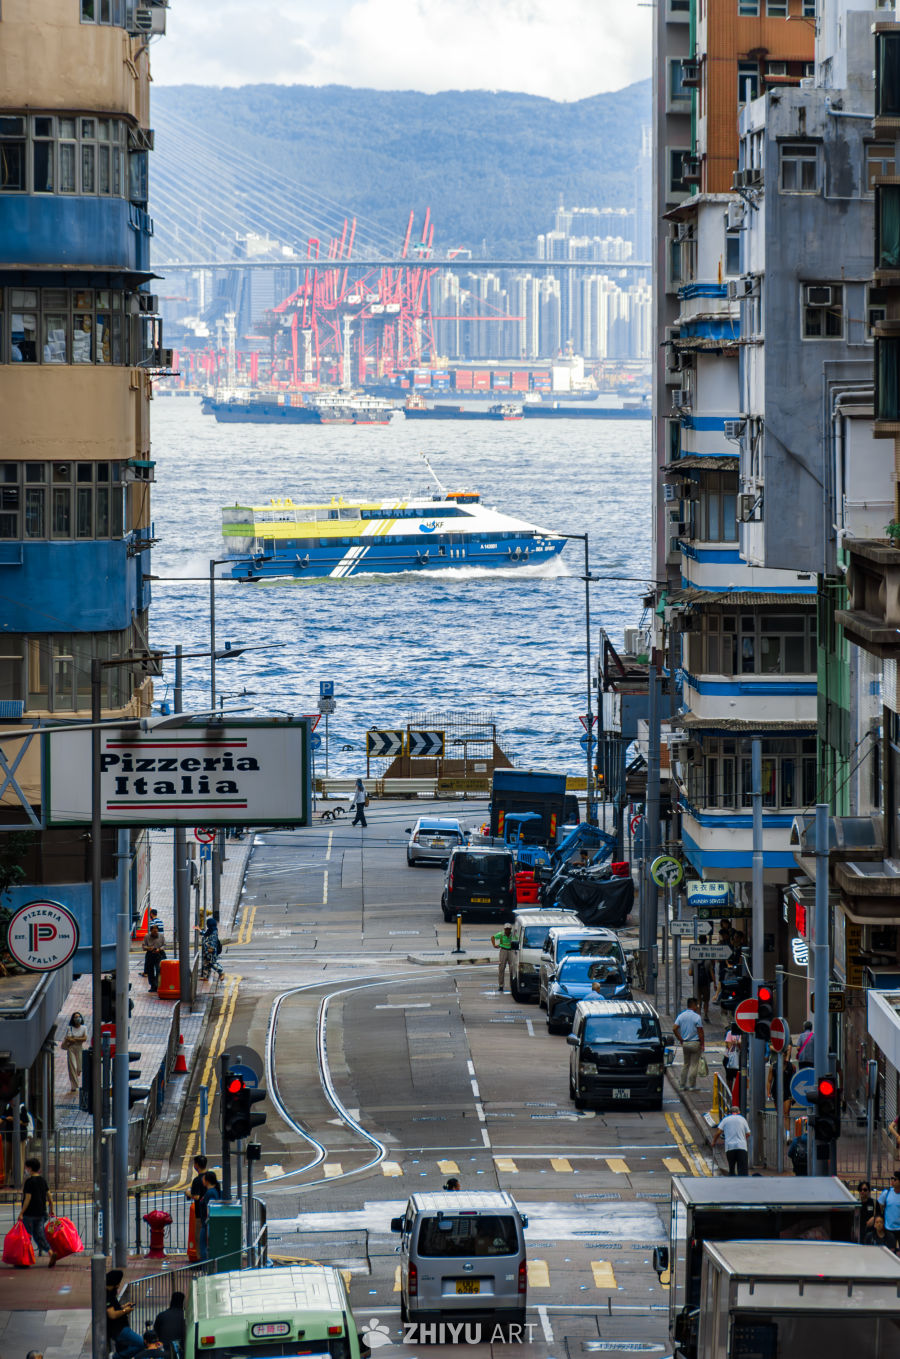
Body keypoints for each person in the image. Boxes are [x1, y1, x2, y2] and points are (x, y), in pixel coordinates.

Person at [19, 1156, 55, 1265]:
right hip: (41, 1213)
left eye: (26, 1167)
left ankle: (25, 1259)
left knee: (26, 1237)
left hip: (29, 1214)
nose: (25, 1170)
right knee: (39, 1235)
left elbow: (27, 1199)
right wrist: (51, 1209)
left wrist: (21, 1213)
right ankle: (50, 1252)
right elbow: (49, 1196)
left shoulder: (29, 1182)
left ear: (30, 1168)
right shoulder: (42, 1180)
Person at [106, 1269, 144, 1358]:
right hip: (119, 1329)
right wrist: (125, 1311)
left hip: (120, 1328)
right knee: (142, 1344)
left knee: (124, 1348)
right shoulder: (107, 1295)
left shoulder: (110, 1294)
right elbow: (112, 1314)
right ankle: (118, 1357)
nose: (119, 1285)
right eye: (118, 1283)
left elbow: (113, 1308)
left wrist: (123, 1307)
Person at [673, 997, 705, 1091]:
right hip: (695, 1043)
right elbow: (700, 1032)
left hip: (685, 1043)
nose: (698, 1007)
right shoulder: (697, 1017)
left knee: (686, 1064)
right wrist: (702, 1044)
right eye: (697, 1005)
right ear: (693, 1005)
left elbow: (674, 1028)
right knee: (694, 1065)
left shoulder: (681, 1016)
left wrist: (680, 1038)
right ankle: (692, 1085)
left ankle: (682, 1084)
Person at [712, 1104, 751, 1176]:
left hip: (730, 1147)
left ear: (729, 1113)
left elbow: (718, 1132)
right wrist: (743, 1138)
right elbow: (748, 1133)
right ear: (739, 1112)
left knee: (731, 1167)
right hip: (741, 1146)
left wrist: (714, 1142)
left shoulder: (725, 1119)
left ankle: (732, 1179)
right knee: (742, 1169)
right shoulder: (742, 1119)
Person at [197, 1170, 222, 1262]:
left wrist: (208, 1222)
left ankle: (205, 1266)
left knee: (203, 1247)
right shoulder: (212, 1191)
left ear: (207, 1181)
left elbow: (211, 1208)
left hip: (207, 1225)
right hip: (207, 1224)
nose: (202, 1180)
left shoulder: (210, 1193)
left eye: (203, 1179)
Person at [61, 1010, 87, 1094]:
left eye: (78, 1017)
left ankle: (76, 1078)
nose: (77, 1018)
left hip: (79, 1049)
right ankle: (74, 1085)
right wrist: (78, 1039)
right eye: (75, 1017)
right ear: (73, 1019)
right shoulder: (70, 1028)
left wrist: (74, 1038)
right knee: (73, 1067)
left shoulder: (84, 1028)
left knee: (79, 1068)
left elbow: (84, 1038)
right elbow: (69, 1038)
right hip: (71, 1049)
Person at [877, 1169, 900, 1241]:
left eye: (895, 1179)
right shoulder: (886, 1193)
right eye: (892, 1178)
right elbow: (879, 1208)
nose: (892, 1181)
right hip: (888, 1228)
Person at [142, 925, 166, 992]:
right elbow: (143, 946)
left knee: (159, 969)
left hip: (159, 954)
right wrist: (148, 948)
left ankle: (157, 984)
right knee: (150, 971)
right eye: (153, 932)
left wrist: (159, 949)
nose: (155, 933)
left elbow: (164, 945)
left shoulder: (161, 936)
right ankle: (153, 986)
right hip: (150, 954)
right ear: (151, 931)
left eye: (156, 931)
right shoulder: (147, 936)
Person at [491, 922, 513, 993]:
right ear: (504, 929)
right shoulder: (500, 934)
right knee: (501, 968)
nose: (507, 930)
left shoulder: (513, 934)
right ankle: (501, 985)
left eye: (509, 929)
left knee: (512, 969)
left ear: (511, 929)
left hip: (511, 951)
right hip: (503, 950)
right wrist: (495, 945)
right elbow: (493, 937)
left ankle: (512, 985)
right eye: (506, 929)